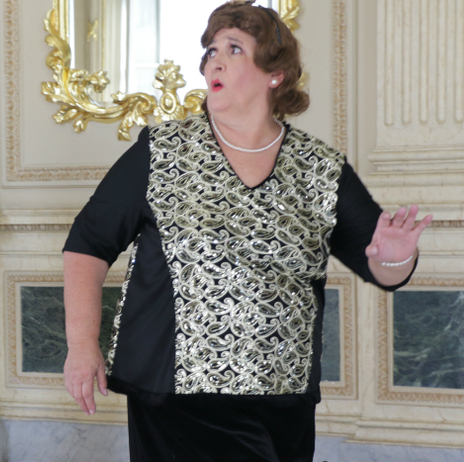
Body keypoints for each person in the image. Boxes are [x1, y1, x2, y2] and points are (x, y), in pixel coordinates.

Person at [62, 2, 433, 461]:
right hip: (176, 397)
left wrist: (396, 255)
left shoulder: (320, 168)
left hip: (283, 396)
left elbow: (383, 270)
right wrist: (82, 345)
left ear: (275, 73)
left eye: (233, 49)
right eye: (210, 51)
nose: (213, 61)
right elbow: (89, 243)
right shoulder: (162, 151)